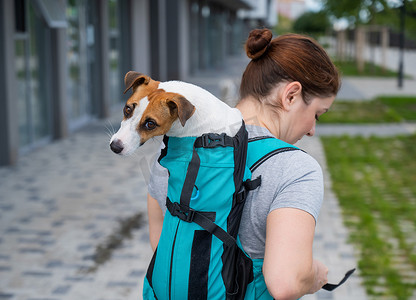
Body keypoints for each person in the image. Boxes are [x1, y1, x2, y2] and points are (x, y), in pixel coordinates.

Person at [146, 28, 340, 300]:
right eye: (317, 114)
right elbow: (286, 282)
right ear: (291, 95)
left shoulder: (176, 150)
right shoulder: (296, 169)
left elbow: (163, 247)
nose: (311, 131)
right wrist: (314, 274)